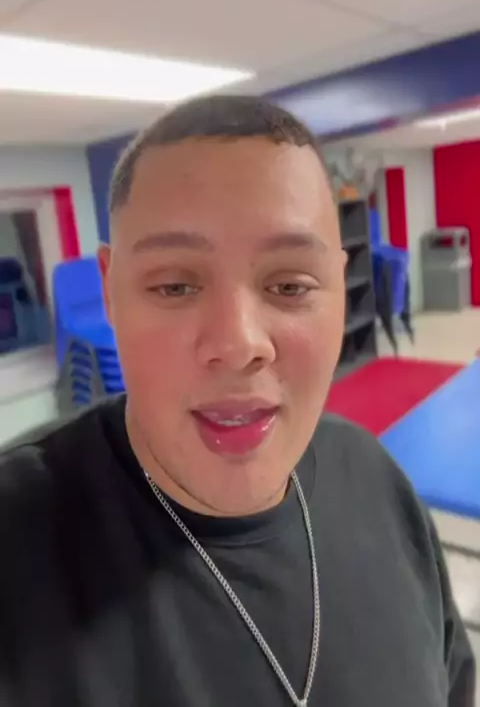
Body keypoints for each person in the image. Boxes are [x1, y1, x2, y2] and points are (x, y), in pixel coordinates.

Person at [0, 95, 475, 707]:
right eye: (175, 285)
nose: (238, 345)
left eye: (290, 285)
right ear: (111, 293)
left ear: (341, 288)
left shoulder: (378, 483)